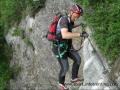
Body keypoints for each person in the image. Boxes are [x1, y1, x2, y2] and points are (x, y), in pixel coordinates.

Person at [52, 4, 88, 90]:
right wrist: (80, 34)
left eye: (78, 16)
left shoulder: (70, 20)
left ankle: (74, 78)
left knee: (78, 59)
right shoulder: (64, 20)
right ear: (71, 12)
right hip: (59, 48)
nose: (77, 18)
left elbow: (70, 26)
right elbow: (64, 34)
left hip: (66, 46)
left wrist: (80, 24)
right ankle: (61, 85)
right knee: (65, 67)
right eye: (76, 15)